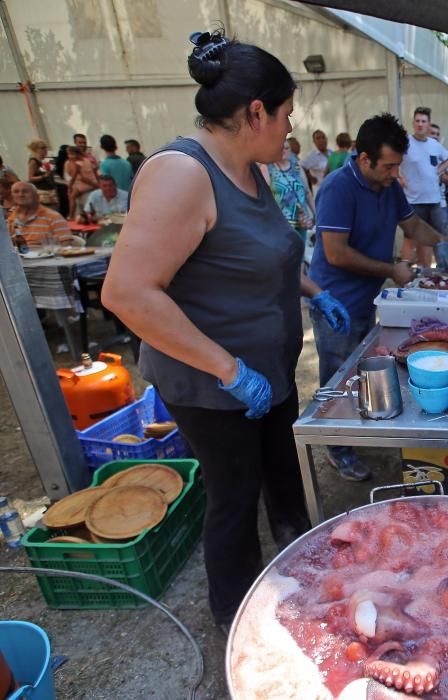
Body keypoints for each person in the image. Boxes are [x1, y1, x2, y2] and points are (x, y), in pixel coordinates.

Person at [101, 30, 350, 634]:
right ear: (255, 111)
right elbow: (127, 293)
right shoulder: (181, 172)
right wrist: (227, 368)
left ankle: (301, 581)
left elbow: (249, 259)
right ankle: (236, 617)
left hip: (267, 372)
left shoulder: (248, 168)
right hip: (214, 385)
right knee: (234, 500)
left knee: (285, 479)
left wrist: (315, 293)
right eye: (286, 115)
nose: (290, 129)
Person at [310, 113, 448, 481]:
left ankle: (359, 430)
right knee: (337, 376)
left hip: (368, 298)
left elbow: (412, 225)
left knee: (363, 369)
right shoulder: (337, 189)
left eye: (397, 165)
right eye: (388, 165)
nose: (394, 173)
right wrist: (391, 269)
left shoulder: (389, 187)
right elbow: (336, 253)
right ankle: (338, 448)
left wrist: (443, 242)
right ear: (364, 158)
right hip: (335, 302)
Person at [399, 106, 448, 267]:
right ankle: (403, 272)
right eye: (418, 121)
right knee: (410, 238)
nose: (420, 124)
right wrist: (398, 176)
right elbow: (392, 160)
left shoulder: (434, 144)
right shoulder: (405, 143)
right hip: (413, 200)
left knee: (432, 238)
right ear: (413, 123)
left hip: (434, 200)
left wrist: (438, 171)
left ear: (429, 124)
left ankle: (430, 273)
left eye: (424, 121)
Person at [261, 141, 315, 243]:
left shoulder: (297, 167)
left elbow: (307, 193)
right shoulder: (268, 168)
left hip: (301, 220)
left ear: (290, 150)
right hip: (282, 224)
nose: (283, 151)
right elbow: (265, 197)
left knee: (301, 253)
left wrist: (316, 214)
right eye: (281, 148)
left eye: (286, 148)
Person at [7, 181, 73, 249]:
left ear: (37, 196)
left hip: (47, 257)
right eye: (16, 192)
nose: (21, 194)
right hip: (19, 258)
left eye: (25, 191)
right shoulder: (11, 218)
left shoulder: (53, 217)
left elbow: (66, 245)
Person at [65, 145, 99, 219]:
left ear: (76, 154)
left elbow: (76, 177)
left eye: (71, 154)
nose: (69, 156)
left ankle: (70, 216)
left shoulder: (77, 163)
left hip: (86, 185)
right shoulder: (86, 160)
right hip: (93, 182)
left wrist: (70, 187)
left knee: (72, 197)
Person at [26, 140, 58, 207]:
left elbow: (52, 175)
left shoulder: (48, 160)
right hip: (42, 191)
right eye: (42, 148)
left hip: (52, 190)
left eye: (46, 147)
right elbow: (30, 178)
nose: (46, 150)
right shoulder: (33, 161)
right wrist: (44, 176)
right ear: (36, 149)